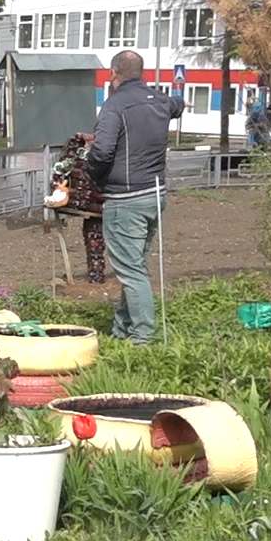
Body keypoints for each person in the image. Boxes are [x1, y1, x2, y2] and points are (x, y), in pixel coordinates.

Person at [86, 50, 180, 345]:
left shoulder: (114, 107)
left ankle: (141, 338)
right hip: (154, 195)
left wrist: (91, 173)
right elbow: (176, 105)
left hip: (125, 199)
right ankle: (121, 331)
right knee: (134, 265)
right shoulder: (160, 100)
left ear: (114, 74)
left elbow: (102, 152)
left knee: (131, 271)